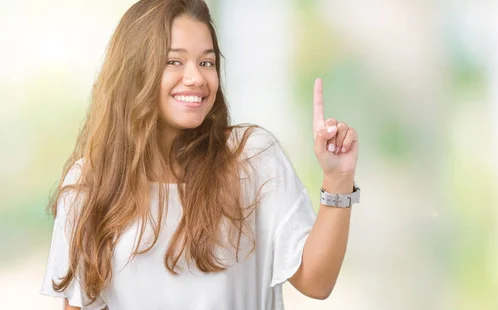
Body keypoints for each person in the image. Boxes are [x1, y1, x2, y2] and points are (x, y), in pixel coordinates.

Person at [40, 0, 360, 309]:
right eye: (174, 61)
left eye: (206, 62)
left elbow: (317, 282)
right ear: (134, 70)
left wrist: (338, 178)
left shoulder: (252, 158)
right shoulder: (89, 183)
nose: (196, 78)